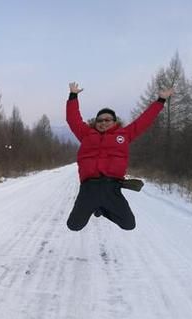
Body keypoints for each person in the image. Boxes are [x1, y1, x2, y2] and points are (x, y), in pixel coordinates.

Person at [65, 82, 174, 231]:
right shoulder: (86, 134)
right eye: (100, 120)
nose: (103, 122)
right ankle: (96, 207)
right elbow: (73, 119)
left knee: (129, 224)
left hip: (112, 187)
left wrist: (160, 101)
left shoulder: (124, 134)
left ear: (114, 121)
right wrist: (73, 96)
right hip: (89, 188)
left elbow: (144, 120)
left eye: (107, 120)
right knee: (73, 225)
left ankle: (102, 210)